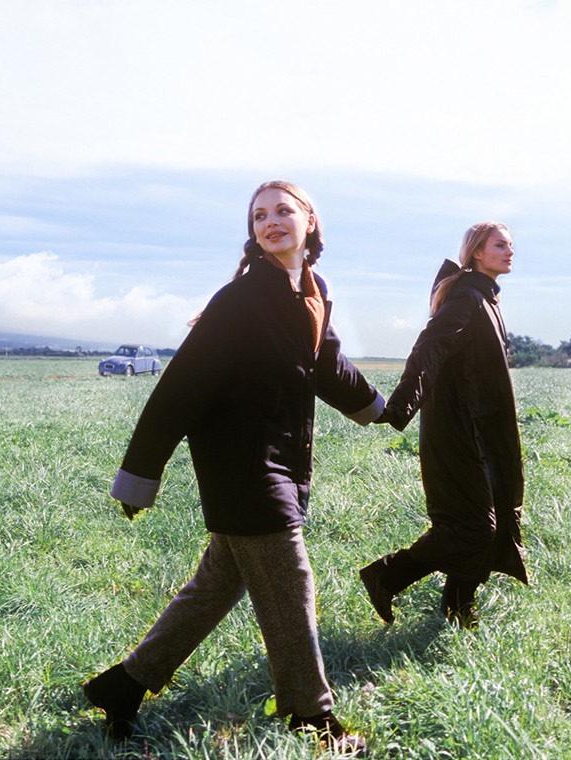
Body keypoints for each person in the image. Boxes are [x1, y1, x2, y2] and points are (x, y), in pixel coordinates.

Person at [83, 180, 383, 755]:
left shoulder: (313, 290)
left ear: (310, 221)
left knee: (218, 584)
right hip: (241, 468)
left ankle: (123, 685)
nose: (270, 222)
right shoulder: (241, 299)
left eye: (282, 212)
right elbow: (179, 388)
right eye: (259, 216)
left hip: (282, 463)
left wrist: (376, 408)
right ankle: (311, 717)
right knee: (292, 585)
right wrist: (141, 476)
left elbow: (327, 365)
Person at [362, 222, 528, 628]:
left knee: (491, 518)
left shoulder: (486, 297)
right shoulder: (467, 296)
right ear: (476, 252)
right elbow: (429, 347)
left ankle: (458, 606)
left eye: (511, 245)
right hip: (458, 430)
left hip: (483, 429)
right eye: (500, 245)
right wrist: (399, 407)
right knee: (472, 525)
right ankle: (387, 575)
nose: (510, 252)